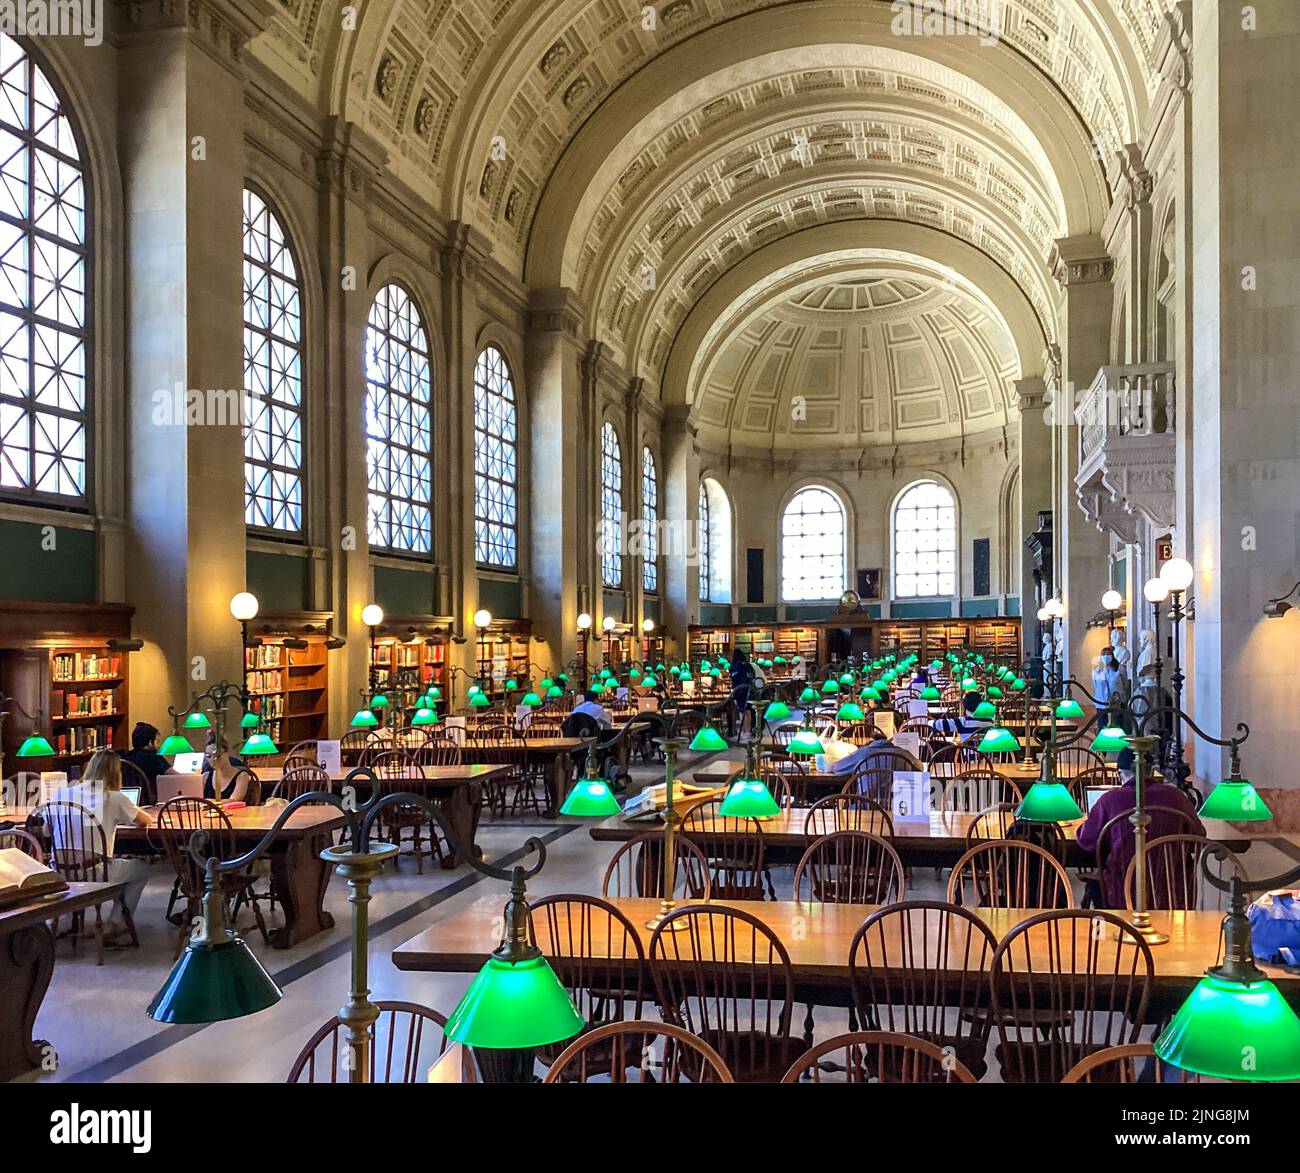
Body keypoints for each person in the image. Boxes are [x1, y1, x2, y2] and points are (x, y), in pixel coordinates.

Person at [1076, 746, 1203, 909]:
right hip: (1173, 893)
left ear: (1120, 774)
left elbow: (1087, 841)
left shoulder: (1110, 800)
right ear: (1151, 772)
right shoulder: (1177, 796)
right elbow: (1197, 838)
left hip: (1122, 893)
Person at [51, 749, 154, 944]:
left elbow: (48, 829)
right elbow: (144, 820)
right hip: (95, 872)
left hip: (59, 871)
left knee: (120, 870)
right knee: (142, 870)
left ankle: (62, 923)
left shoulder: (61, 794)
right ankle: (115, 924)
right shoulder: (114, 798)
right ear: (116, 772)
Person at [120, 722, 175, 805]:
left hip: (130, 800)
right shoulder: (154, 757)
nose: (159, 745)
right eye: (157, 741)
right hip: (151, 800)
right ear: (150, 742)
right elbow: (175, 775)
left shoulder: (124, 757)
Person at [203, 732, 250, 801]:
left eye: (217, 754)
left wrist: (206, 802)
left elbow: (234, 800)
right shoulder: (205, 777)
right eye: (208, 756)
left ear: (227, 752)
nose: (213, 759)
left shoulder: (242, 776)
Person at [728, 648, 757, 739]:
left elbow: (735, 679)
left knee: (742, 710)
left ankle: (744, 730)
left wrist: (735, 692)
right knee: (748, 710)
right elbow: (753, 675)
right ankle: (748, 729)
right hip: (750, 689)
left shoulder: (736, 666)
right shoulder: (747, 664)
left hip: (740, 690)